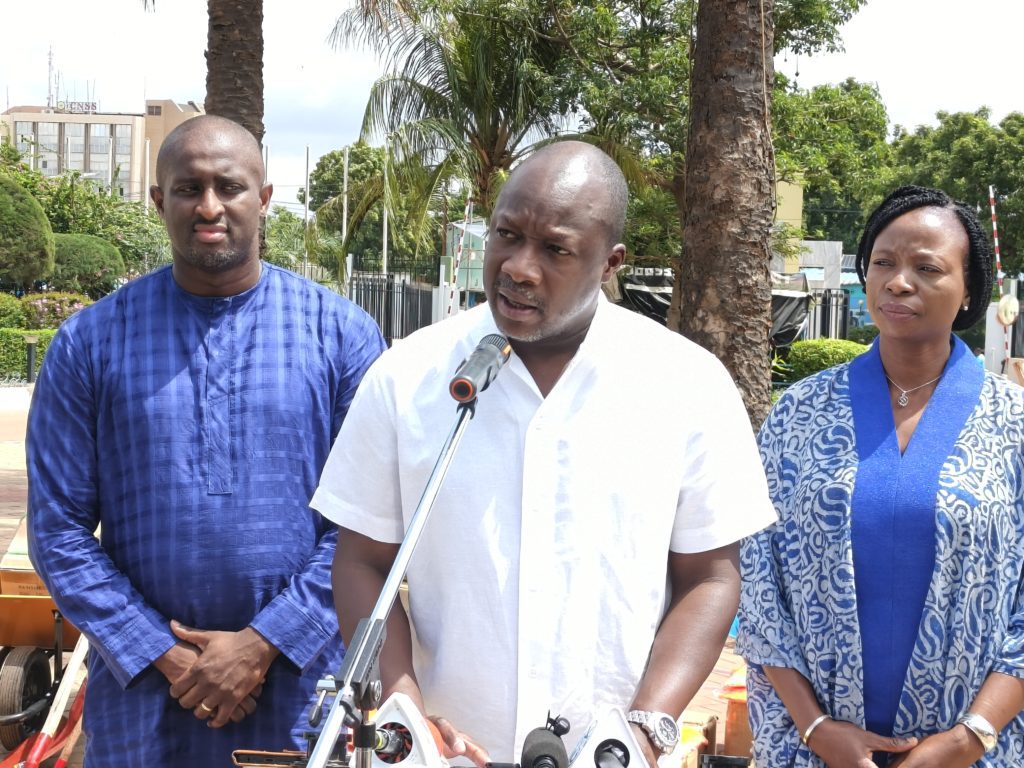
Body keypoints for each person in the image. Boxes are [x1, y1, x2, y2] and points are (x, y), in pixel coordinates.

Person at [311, 141, 776, 766]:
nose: (519, 268)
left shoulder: (688, 384)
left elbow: (710, 578)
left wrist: (643, 731)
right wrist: (405, 714)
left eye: (555, 249)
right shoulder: (406, 376)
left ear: (610, 262)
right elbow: (364, 562)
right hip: (446, 755)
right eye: (506, 235)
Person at [26, 115, 386, 766]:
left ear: (264, 198)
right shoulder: (89, 343)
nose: (210, 206)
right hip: (142, 699)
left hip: (298, 692)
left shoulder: (342, 336)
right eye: (189, 188)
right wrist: (166, 655)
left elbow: (367, 525)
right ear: (159, 200)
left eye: (230, 186)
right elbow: (58, 532)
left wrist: (262, 645)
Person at [739, 185, 1024, 767]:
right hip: (813, 749)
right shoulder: (800, 413)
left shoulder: (1013, 424)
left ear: (969, 290)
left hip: (972, 751)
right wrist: (816, 727)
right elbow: (758, 579)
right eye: (884, 262)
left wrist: (968, 738)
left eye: (927, 268)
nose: (898, 282)